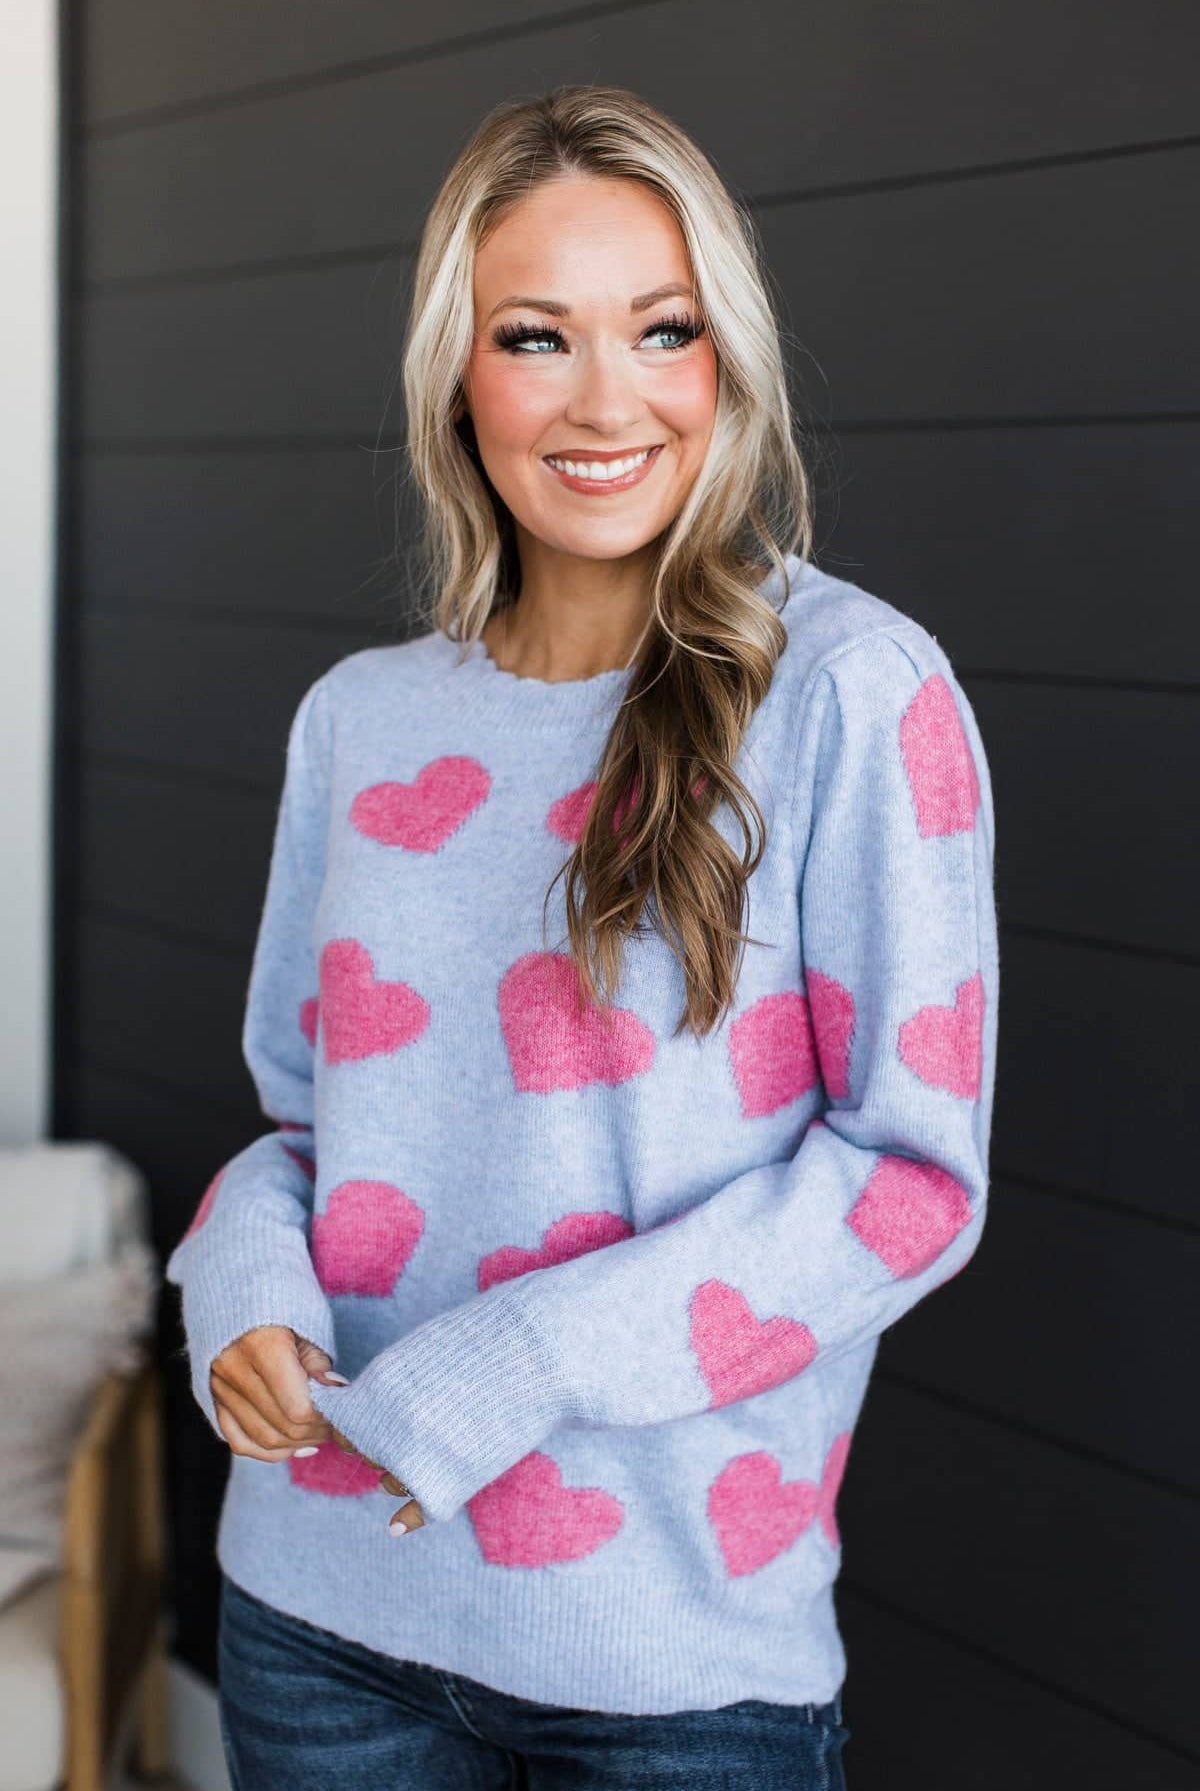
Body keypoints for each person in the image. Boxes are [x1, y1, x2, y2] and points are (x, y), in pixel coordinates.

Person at [167, 83, 999, 1790]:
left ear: (726, 361)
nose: (606, 399)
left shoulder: (851, 693)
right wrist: (237, 1282)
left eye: (662, 329)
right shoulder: (362, 720)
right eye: (536, 336)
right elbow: (306, 1129)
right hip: (313, 1609)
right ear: (457, 381)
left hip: (669, 1659)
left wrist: (521, 1363)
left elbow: (909, 1186)